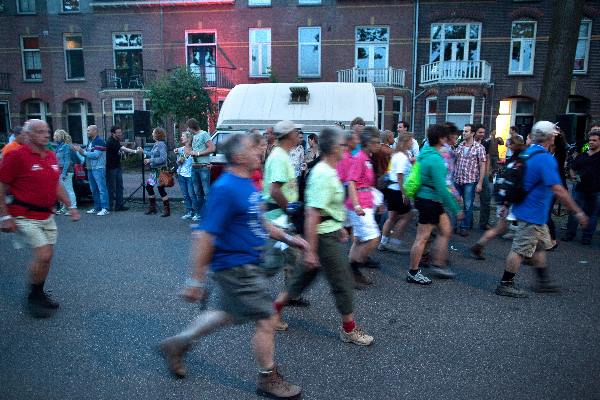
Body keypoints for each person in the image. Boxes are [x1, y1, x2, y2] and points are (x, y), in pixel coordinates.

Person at [159, 134, 308, 399]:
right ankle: (268, 378)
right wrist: (195, 280)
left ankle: (177, 344)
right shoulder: (225, 188)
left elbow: (260, 223)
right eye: (254, 148)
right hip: (237, 267)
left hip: (248, 264)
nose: (260, 150)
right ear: (239, 157)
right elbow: (205, 235)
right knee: (266, 319)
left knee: (223, 315)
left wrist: (289, 237)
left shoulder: (247, 184)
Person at [273, 128, 374, 346]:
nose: (346, 149)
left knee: (302, 278)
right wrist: (311, 249)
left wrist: (337, 226)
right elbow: (312, 213)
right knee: (343, 283)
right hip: (322, 238)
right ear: (334, 147)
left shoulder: (328, 170)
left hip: (325, 233)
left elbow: (324, 208)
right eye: (343, 145)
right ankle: (349, 329)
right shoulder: (322, 174)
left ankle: (272, 313)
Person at [495, 121, 588, 298]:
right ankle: (505, 284)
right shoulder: (545, 158)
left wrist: (507, 205)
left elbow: (517, 179)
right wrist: (578, 211)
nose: (556, 136)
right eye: (555, 134)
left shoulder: (528, 152)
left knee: (538, 248)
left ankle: (543, 282)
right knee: (519, 249)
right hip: (533, 214)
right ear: (550, 136)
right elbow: (559, 189)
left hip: (530, 211)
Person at [0, 119, 80, 318]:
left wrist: (71, 207)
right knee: (43, 255)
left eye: (47, 131)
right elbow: (1, 186)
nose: (46, 135)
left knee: (47, 257)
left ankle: (38, 293)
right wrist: (4, 216)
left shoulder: (51, 155)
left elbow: (56, 184)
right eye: (40, 131)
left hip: (47, 215)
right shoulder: (16, 156)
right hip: (24, 215)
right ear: (28, 135)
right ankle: (32, 297)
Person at [263, 120, 309, 315]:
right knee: (271, 264)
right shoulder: (280, 157)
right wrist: (290, 209)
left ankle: (291, 295)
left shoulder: (281, 154)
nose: (299, 135)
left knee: (293, 256)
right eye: (297, 132)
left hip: (281, 215)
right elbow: (274, 190)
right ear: (289, 135)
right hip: (278, 217)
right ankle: (263, 308)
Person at [408, 124, 462, 284]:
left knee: (445, 230)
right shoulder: (435, 159)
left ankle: (438, 263)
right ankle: (413, 272)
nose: (448, 140)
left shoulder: (426, 152)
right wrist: (456, 208)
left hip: (430, 200)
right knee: (422, 238)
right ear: (440, 139)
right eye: (445, 137)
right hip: (429, 200)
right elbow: (441, 188)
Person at [471, 136, 525, 260]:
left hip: (504, 196)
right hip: (510, 199)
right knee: (526, 226)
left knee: (501, 227)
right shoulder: (519, 161)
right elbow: (513, 183)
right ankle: (529, 254)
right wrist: (506, 204)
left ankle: (479, 245)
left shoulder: (511, 160)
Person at [346, 127, 382, 287]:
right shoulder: (359, 158)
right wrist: (356, 205)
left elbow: (366, 183)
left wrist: (377, 202)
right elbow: (352, 182)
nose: (379, 145)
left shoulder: (367, 158)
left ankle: (353, 273)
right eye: (376, 142)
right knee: (373, 238)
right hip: (359, 205)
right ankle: (352, 269)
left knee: (360, 239)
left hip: (366, 202)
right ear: (367, 143)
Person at [563, 128, 600, 245]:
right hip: (580, 189)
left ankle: (587, 237)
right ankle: (570, 234)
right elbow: (572, 168)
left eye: (594, 140)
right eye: (590, 140)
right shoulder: (583, 155)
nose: (591, 142)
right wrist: (574, 177)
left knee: (592, 214)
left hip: (596, 190)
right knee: (575, 212)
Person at [379, 133, 413, 254]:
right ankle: (394, 242)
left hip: (392, 189)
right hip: (398, 190)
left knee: (392, 217)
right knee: (407, 216)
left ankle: (383, 242)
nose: (412, 143)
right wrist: (404, 194)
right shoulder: (402, 157)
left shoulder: (398, 155)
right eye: (410, 141)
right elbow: (400, 176)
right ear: (405, 142)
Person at [453, 124, 486, 236]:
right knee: (454, 203)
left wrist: (480, 183)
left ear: (472, 133)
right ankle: (454, 226)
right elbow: (454, 160)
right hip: (457, 179)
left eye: (466, 131)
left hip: (470, 181)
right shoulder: (460, 145)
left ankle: (464, 227)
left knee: (468, 205)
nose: (464, 133)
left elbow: (482, 165)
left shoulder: (479, 148)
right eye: (463, 131)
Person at [72, 125, 109, 216]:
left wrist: (82, 151)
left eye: (89, 130)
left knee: (101, 189)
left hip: (98, 168)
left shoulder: (99, 141)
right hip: (90, 168)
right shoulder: (90, 141)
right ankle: (97, 207)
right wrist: (80, 151)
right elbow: (88, 154)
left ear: (95, 131)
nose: (87, 132)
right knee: (94, 189)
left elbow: (96, 155)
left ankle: (105, 208)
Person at [141, 127, 170, 217]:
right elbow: (153, 154)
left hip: (161, 170)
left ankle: (167, 210)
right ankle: (152, 207)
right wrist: (143, 151)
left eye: (153, 133)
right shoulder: (156, 144)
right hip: (154, 171)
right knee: (149, 187)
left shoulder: (161, 144)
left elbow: (163, 159)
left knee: (161, 189)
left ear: (158, 134)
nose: (152, 134)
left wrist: (150, 160)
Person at [187, 118, 215, 212]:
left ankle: (210, 212)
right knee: (197, 192)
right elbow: (188, 149)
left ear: (192, 127)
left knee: (206, 191)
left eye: (188, 127)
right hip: (194, 167)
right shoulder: (193, 136)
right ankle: (200, 213)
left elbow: (212, 148)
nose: (188, 130)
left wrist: (198, 153)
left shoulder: (204, 134)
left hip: (203, 167)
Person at [176, 130, 200, 221]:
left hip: (190, 175)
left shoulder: (194, 149)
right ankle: (189, 212)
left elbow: (197, 162)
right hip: (181, 174)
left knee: (192, 194)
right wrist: (179, 161)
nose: (181, 138)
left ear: (188, 138)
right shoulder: (181, 149)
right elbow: (178, 162)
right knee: (185, 195)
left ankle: (198, 213)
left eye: (183, 136)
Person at [53, 130, 77, 215]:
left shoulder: (65, 146)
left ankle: (73, 207)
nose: (54, 138)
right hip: (60, 171)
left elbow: (67, 161)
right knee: (63, 190)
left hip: (66, 171)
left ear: (60, 137)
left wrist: (63, 173)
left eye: (56, 136)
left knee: (69, 190)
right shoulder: (58, 147)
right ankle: (64, 208)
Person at [474, 124, 492, 230]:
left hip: (481, 174)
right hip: (470, 174)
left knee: (486, 197)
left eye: (483, 133)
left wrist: (486, 172)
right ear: (474, 132)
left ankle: (483, 223)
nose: (482, 134)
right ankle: (467, 223)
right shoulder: (467, 143)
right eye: (480, 132)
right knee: (468, 199)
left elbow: (488, 158)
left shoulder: (485, 143)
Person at [106, 126, 128, 212]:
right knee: (111, 188)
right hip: (111, 168)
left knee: (119, 186)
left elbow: (119, 150)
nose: (120, 134)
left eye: (120, 132)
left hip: (117, 166)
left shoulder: (116, 140)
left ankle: (119, 205)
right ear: (113, 133)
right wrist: (134, 151)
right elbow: (122, 148)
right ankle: (109, 206)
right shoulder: (110, 141)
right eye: (118, 132)